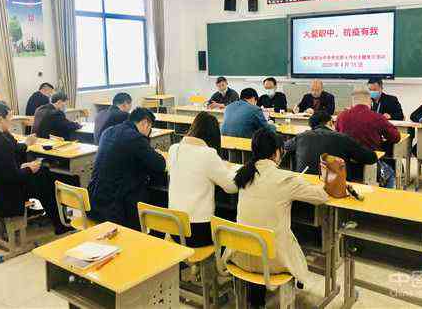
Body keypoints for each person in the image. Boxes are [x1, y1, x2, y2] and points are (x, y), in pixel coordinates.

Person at [230, 128, 329, 307]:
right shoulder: (286, 179)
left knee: (259, 231)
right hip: (273, 262)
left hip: (241, 256)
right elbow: (322, 196)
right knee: (287, 237)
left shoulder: (244, 174)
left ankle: (256, 300)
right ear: (277, 152)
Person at [0, 102, 69, 234]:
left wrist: (22, 167)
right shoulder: (1, 141)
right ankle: (59, 223)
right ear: (0, 119)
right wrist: (29, 168)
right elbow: (13, 177)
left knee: (40, 175)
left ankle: (54, 218)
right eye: (9, 117)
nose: (11, 120)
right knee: (44, 177)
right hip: (1, 197)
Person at [88, 108, 166, 231]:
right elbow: (159, 164)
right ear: (145, 123)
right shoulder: (135, 138)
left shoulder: (108, 131)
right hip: (115, 207)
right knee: (158, 193)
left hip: (94, 200)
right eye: (150, 129)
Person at [168, 112, 237, 247]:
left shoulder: (174, 149)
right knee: (230, 216)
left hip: (175, 228)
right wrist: (235, 171)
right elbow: (231, 187)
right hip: (198, 232)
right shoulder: (208, 154)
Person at [335, 89, 400, 185]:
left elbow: (337, 136)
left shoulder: (341, 116)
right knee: (389, 175)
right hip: (370, 162)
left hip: (346, 165)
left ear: (352, 102)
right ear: (369, 101)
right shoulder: (377, 117)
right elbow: (396, 137)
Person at [284, 110, 377, 175]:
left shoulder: (301, 136)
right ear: (329, 123)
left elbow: (285, 146)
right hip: (334, 187)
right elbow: (371, 158)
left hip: (305, 184)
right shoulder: (342, 138)